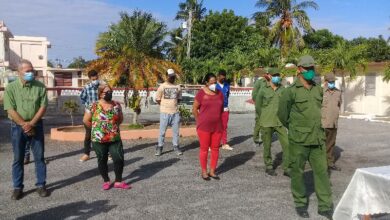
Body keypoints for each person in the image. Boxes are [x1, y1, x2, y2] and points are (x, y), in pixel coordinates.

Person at [278, 55, 333, 219]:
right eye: (307, 69)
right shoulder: (290, 92)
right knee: (297, 172)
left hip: (317, 139)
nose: (310, 71)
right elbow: (282, 115)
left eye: (312, 68)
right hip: (299, 141)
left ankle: (325, 206)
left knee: (322, 173)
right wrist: (295, 129)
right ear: (299, 70)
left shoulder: (318, 89)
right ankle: (301, 203)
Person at [3, 59, 49, 200]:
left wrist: (32, 124)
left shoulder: (40, 87)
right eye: (27, 71)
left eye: (32, 70)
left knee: (39, 157)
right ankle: (18, 187)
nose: (31, 73)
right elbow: (9, 109)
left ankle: (41, 185)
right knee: (18, 158)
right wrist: (24, 125)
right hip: (17, 127)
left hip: (37, 126)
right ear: (19, 72)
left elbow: (43, 107)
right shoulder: (11, 88)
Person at [83, 84, 130, 190]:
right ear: (100, 94)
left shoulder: (116, 105)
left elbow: (120, 119)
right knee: (102, 159)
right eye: (106, 92)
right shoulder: (93, 106)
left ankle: (118, 181)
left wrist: (113, 127)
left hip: (114, 138)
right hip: (99, 139)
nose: (110, 94)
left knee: (118, 158)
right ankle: (106, 181)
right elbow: (86, 120)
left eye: (111, 92)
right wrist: (96, 129)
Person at [256, 68, 290, 177]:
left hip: (280, 122)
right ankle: (269, 166)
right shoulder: (263, 89)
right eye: (274, 75)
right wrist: (263, 117)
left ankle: (287, 168)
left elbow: (286, 104)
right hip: (267, 122)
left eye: (278, 75)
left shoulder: (282, 89)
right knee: (267, 146)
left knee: (287, 145)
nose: (277, 77)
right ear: (269, 76)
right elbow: (258, 107)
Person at [192, 73, 224, 181]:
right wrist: (199, 121)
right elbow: (194, 109)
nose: (214, 84)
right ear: (206, 83)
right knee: (204, 149)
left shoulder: (220, 93)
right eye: (211, 83)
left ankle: (212, 171)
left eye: (215, 82)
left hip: (217, 126)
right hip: (204, 127)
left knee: (215, 149)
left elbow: (220, 110)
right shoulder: (201, 93)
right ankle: (204, 172)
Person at [155, 69, 183, 156]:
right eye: (171, 77)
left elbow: (178, 99)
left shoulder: (178, 87)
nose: (173, 78)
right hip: (164, 113)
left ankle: (176, 146)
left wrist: (173, 106)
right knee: (162, 132)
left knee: (176, 132)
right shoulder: (162, 87)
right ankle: (159, 147)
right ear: (167, 76)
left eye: (174, 76)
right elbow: (158, 99)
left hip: (175, 113)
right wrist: (164, 106)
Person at [322, 73, 342, 171]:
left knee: (331, 144)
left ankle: (330, 163)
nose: (332, 83)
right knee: (321, 145)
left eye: (333, 82)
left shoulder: (338, 92)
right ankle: (321, 164)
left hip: (333, 123)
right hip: (323, 123)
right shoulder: (321, 92)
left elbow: (339, 105)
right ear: (325, 82)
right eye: (330, 82)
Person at [79, 70, 100, 162]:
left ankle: (105, 153)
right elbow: (82, 97)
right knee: (88, 134)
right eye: (93, 78)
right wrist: (88, 107)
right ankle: (86, 154)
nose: (95, 80)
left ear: (98, 77)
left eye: (96, 78)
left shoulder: (102, 86)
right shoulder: (87, 87)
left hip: (100, 113)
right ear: (90, 78)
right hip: (90, 113)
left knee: (102, 133)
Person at [216, 69, 233, 151]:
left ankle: (224, 143)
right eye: (221, 77)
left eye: (224, 77)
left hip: (225, 109)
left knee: (224, 127)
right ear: (218, 76)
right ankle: (213, 144)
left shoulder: (227, 85)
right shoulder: (214, 86)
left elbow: (227, 96)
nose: (223, 78)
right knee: (215, 127)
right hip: (215, 109)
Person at [252, 70, 267, 145]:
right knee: (258, 121)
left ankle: (265, 138)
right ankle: (256, 138)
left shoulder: (271, 82)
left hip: (269, 105)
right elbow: (254, 94)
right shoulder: (259, 82)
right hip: (260, 105)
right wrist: (258, 103)